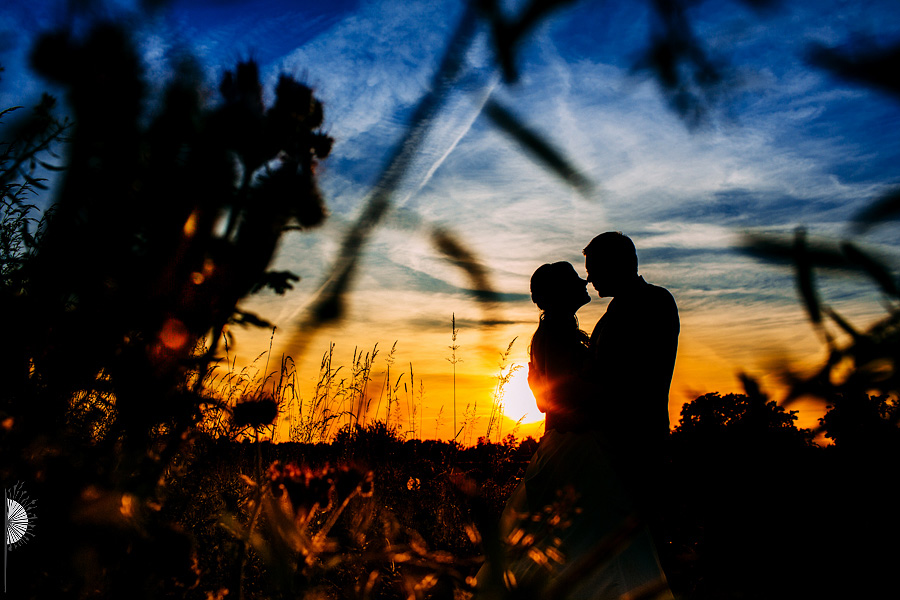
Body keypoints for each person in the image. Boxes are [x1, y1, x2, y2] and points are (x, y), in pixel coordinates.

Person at [480, 261, 671, 599]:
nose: (585, 281)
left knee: (588, 534)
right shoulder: (553, 334)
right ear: (559, 293)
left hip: (581, 443)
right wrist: (599, 403)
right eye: (574, 279)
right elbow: (549, 399)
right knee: (589, 533)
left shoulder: (562, 330)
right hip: (575, 445)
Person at [582, 232, 679, 520]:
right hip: (613, 443)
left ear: (616, 264)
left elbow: (632, 376)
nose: (588, 280)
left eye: (593, 270)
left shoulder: (653, 302)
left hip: (637, 441)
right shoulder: (618, 308)